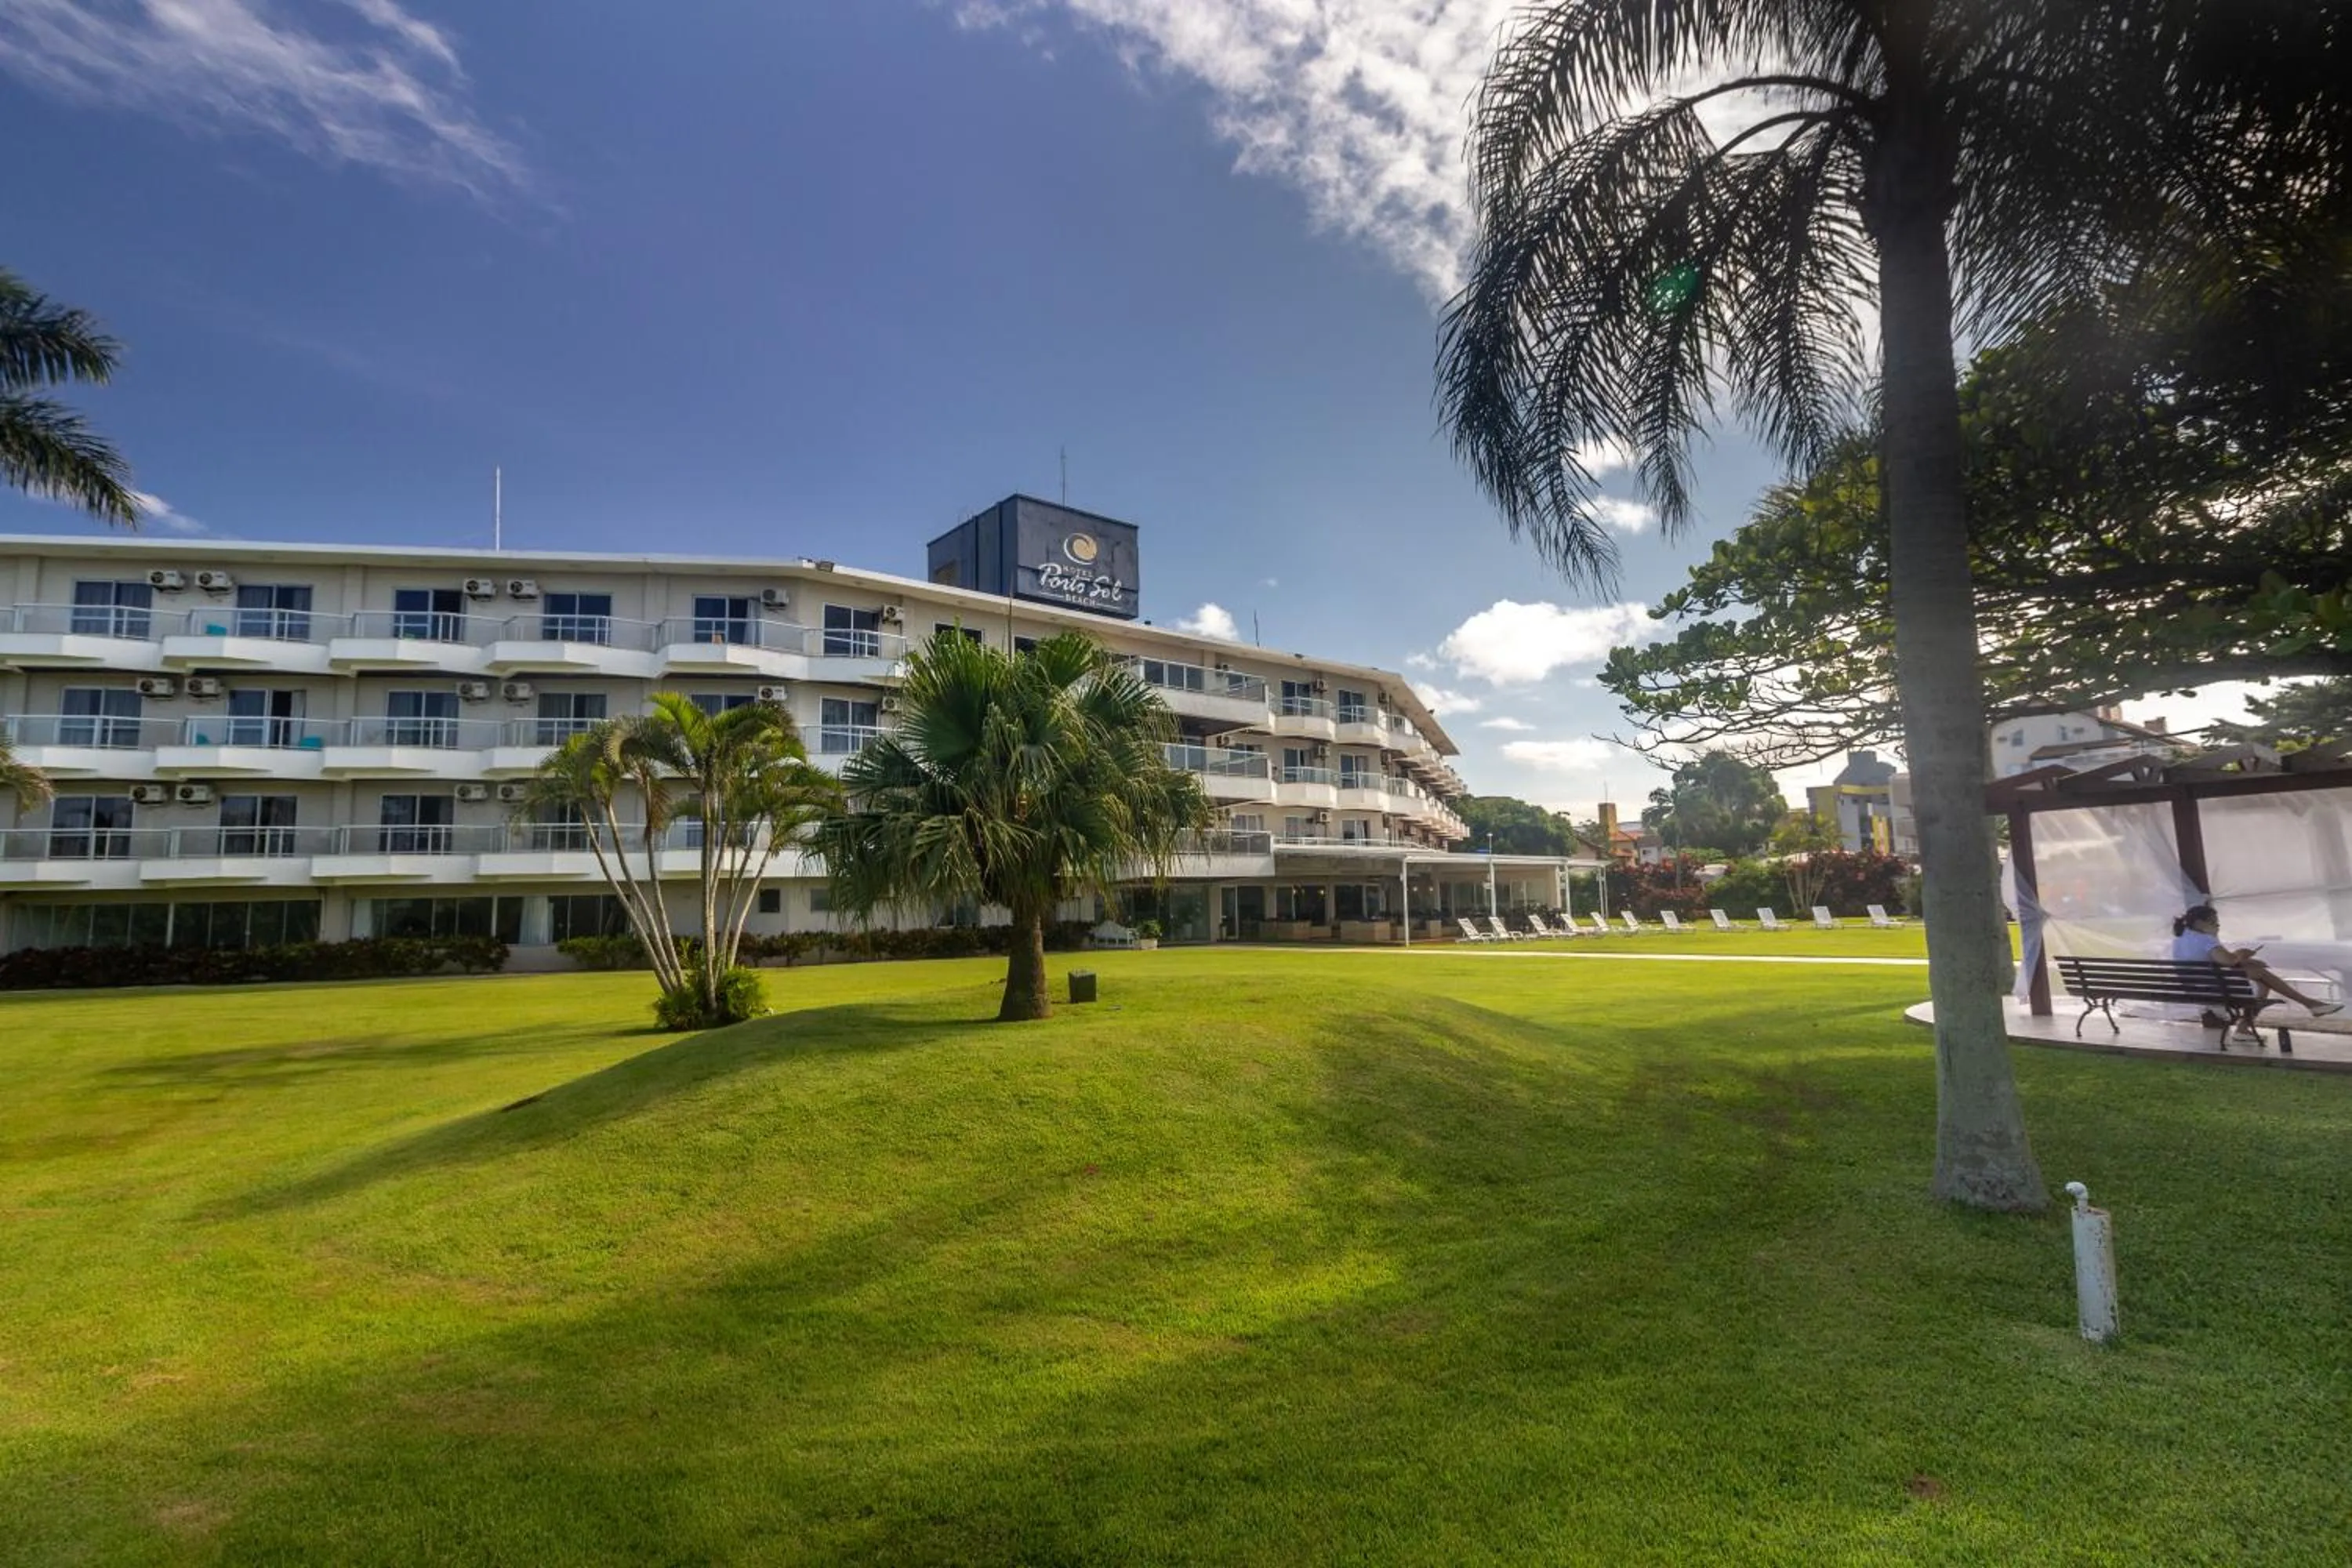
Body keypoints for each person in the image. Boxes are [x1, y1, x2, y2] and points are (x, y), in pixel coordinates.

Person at [2171, 905, 2343, 1039]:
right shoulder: (2205, 939)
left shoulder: (2181, 939)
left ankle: (2246, 1028)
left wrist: (2243, 961)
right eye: (2213, 922)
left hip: (2196, 988)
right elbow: (2228, 960)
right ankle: (2310, 1004)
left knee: (2261, 977)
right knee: (2261, 974)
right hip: (2215, 989)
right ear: (2199, 923)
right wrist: (2241, 954)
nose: (2217, 925)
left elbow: (2211, 962)